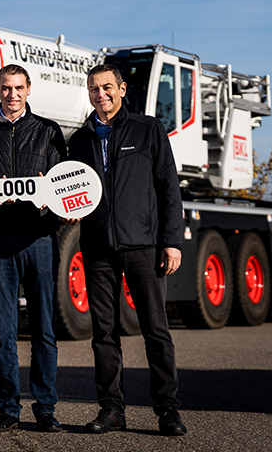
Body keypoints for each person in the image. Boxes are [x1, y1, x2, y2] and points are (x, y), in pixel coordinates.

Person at [67, 64, 188, 436]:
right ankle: (111, 409)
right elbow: (70, 189)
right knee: (103, 333)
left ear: (121, 89)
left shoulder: (148, 129)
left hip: (143, 246)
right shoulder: (79, 140)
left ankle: (168, 410)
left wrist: (171, 241)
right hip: (98, 247)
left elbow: (168, 188)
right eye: (93, 88)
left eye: (107, 87)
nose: (100, 94)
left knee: (155, 329)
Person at [0, 64, 66, 433]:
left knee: (44, 330)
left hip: (40, 240)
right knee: (3, 332)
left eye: (19, 87)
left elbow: (62, 180)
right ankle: (8, 409)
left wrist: (49, 194)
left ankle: (46, 409)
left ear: (29, 89)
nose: (13, 94)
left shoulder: (49, 131)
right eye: (6, 88)